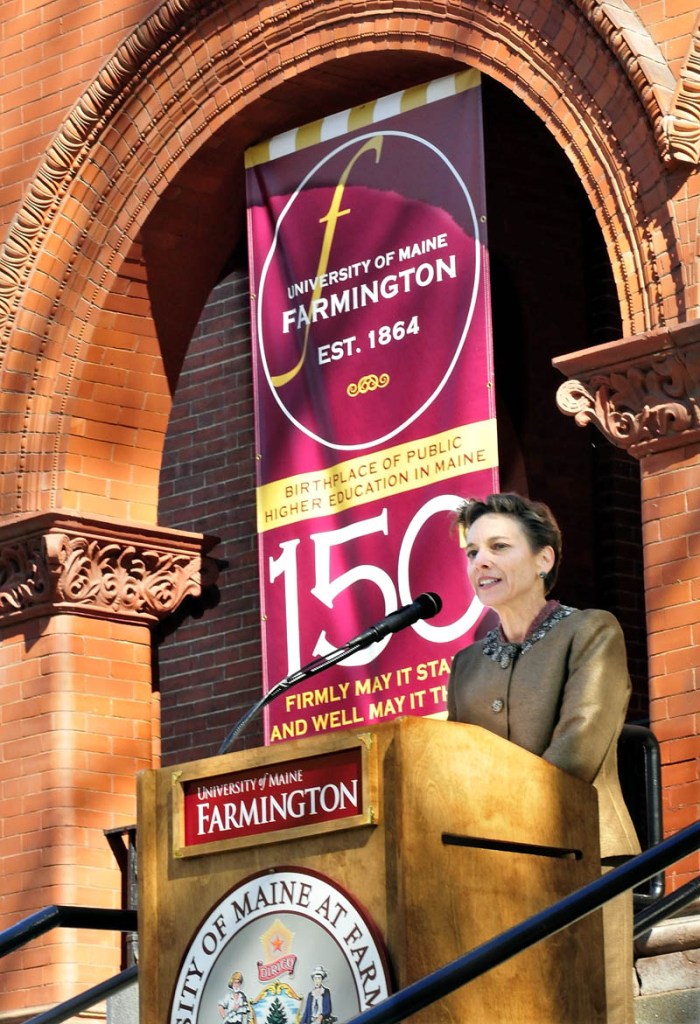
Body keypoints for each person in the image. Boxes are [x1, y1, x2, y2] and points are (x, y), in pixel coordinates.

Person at [446, 492, 641, 1024]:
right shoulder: (464, 665)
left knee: (592, 1008)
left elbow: (577, 748)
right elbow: (452, 767)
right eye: (471, 552)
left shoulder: (591, 631)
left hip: (586, 858)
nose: (479, 561)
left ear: (544, 559)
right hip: (492, 870)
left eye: (498, 546)